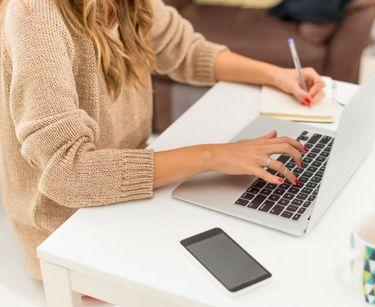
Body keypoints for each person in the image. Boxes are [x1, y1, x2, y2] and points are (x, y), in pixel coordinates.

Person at [0, 0, 325, 281]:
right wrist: (214, 156)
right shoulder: (35, 14)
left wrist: (275, 75)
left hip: (131, 193)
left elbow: (185, 50)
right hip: (69, 228)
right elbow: (68, 173)